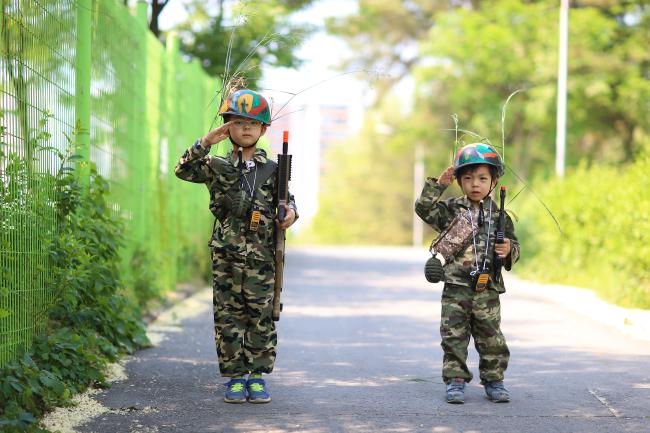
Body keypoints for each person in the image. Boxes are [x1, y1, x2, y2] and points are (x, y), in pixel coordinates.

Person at [174, 88, 297, 404]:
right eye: (238, 122)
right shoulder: (216, 165)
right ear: (228, 126)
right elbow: (183, 170)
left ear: (263, 130)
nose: (245, 128)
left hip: (261, 257)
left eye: (252, 124)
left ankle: (256, 377)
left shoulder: (273, 169)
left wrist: (288, 214)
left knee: (260, 316)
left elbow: (288, 204)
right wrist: (206, 142)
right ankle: (234, 377)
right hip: (226, 255)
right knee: (228, 318)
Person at [415, 142, 520, 404]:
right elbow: (423, 209)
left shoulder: (501, 216)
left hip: (487, 289)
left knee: (492, 338)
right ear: (460, 182)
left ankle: (494, 381)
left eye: (483, 178)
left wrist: (508, 250)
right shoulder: (451, 211)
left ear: (494, 181)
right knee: (453, 336)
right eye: (468, 178)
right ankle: (456, 380)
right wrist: (438, 185)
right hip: (456, 286)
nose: (476, 184)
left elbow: (514, 247)